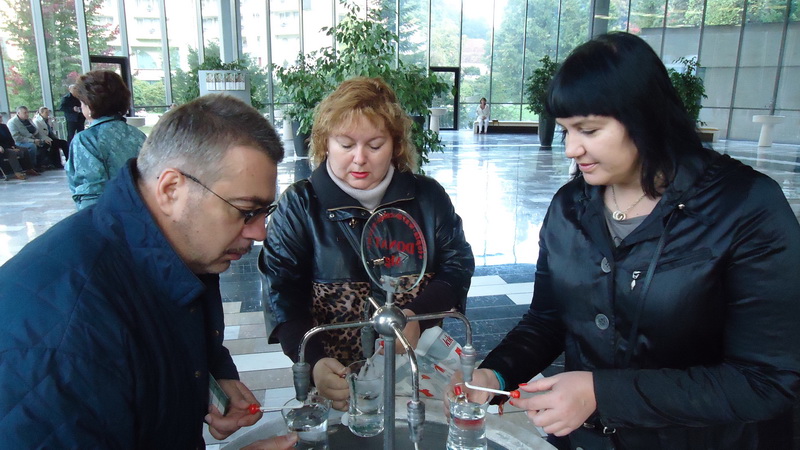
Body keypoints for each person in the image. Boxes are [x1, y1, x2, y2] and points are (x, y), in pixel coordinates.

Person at [450, 32, 800, 449]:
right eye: (565, 131)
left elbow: (766, 380)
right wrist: (495, 375)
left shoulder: (745, 207)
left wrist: (602, 394)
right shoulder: (569, 206)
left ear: (645, 116)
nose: (571, 149)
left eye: (588, 130)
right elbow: (547, 319)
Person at [0, 94, 297, 449]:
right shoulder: (65, 339)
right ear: (171, 189)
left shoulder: (178, 250)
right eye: (245, 211)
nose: (260, 232)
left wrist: (213, 374)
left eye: (265, 212)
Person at [261, 76, 475, 410]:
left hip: (414, 369)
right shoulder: (300, 205)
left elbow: (457, 267)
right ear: (325, 143)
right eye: (346, 145)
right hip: (334, 375)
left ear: (395, 145)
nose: (360, 159)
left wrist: (416, 316)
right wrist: (313, 361)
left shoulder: (428, 198)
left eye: (375, 146)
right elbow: (281, 293)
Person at [66, 70, 147, 210]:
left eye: (82, 103)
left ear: (90, 105)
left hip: (110, 215)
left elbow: (90, 194)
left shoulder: (86, 139)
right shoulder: (138, 135)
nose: (81, 107)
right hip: (141, 211)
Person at [7, 105, 49, 170]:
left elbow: (36, 132)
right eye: (25, 113)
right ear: (18, 113)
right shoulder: (12, 122)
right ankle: (32, 166)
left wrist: (43, 139)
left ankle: (41, 164)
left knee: (46, 143)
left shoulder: (29, 120)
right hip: (20, 142)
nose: (27, 114)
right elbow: (17, 138)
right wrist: (33, 141)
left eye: (27, 112)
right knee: (32, 146)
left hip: (32, 139)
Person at [0, 113, 38, 179]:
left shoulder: (3, 126)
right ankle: (18, 172)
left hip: (9, 146)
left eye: (0, 117)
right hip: (2, 148)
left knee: (24, 150)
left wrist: (12, 146)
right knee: (11, 152)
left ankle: (28, 168)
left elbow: (10, 137)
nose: (1, 118)